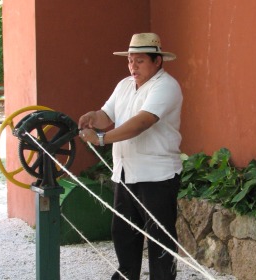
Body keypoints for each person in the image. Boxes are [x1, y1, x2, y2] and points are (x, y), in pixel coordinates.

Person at [78, 33, 183, 280]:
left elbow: (141, 123)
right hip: (125, 172)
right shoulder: (125, 85)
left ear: (157, 61)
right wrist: (92, 117)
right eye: (130, 60)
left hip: (157, 175)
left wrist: (102, 139)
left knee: (160, 240)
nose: (133, 66)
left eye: (140, 61)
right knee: (123, 234)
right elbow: (106, 114)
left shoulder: (166, 86)